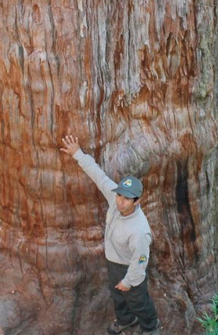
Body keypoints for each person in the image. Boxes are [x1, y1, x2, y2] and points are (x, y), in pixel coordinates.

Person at [60, 135, 160, 335]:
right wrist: (77, 153)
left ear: (138, 200)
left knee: (138, 301)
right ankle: (126, 320)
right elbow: (98, 176)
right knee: (117, 296)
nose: (120, 201)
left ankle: (150, 328)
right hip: (114, 263)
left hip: (131, 269)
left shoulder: (139, 230)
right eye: (120, 195)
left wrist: (128, 281)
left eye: (127, 199)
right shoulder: (116, 200)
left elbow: (140, 262)